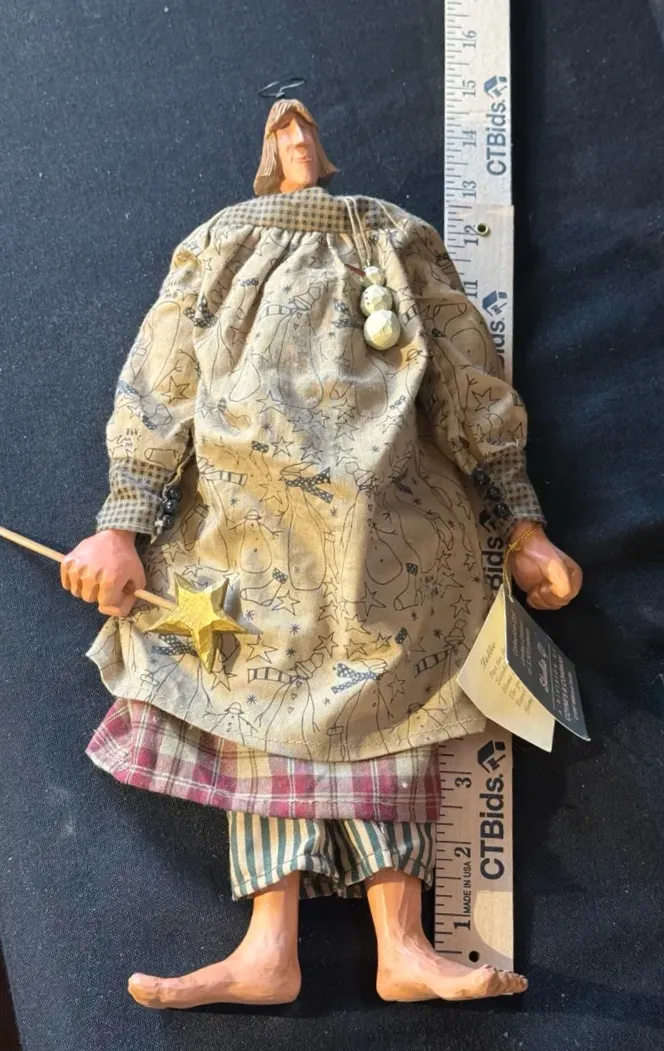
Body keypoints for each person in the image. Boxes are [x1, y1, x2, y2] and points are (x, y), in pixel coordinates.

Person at [60, 98, 582, 1008]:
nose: (297, 139)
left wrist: (522, 525)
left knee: (396, 710)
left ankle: (404, 946)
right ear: (265, 154)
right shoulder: (220, 244)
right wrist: (124, 521)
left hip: (393, 529)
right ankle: (269, 948)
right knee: (253, 705)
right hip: (245, 535)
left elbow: (468, 375)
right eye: (280, 129)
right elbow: (160, 377)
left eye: (305, 126)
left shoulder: (396, 240)